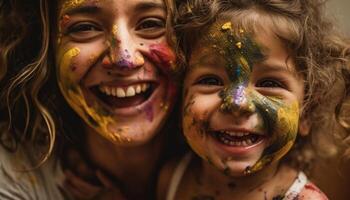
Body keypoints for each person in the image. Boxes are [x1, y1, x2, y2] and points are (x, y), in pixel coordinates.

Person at [158, 0, 350, 199]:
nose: (238, 103)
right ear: (180, 94)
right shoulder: (173, 178)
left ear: (307, 110)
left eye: (269, 84)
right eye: (211, 80)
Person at [0, 0, 185, 199]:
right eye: (85, 28)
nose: (124, 60)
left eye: (151, 24)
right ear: (45, 47)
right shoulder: (11, 169)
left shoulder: (222, 166)